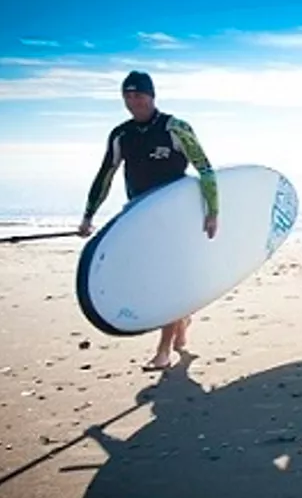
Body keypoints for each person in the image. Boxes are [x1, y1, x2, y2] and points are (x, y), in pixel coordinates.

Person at [77, 70, 219, 371]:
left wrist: (213, 212)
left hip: (175, 217)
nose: (133, 101)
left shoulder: (176, 128)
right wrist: (88, 215)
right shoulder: (121, 134)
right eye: (127, 96)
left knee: (166, 280)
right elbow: (106, 175)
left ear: (151, 96)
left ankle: (164, 351)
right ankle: (181, 321)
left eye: (138, 95)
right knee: (152, 275)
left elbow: (205, 169)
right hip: (140, 216)